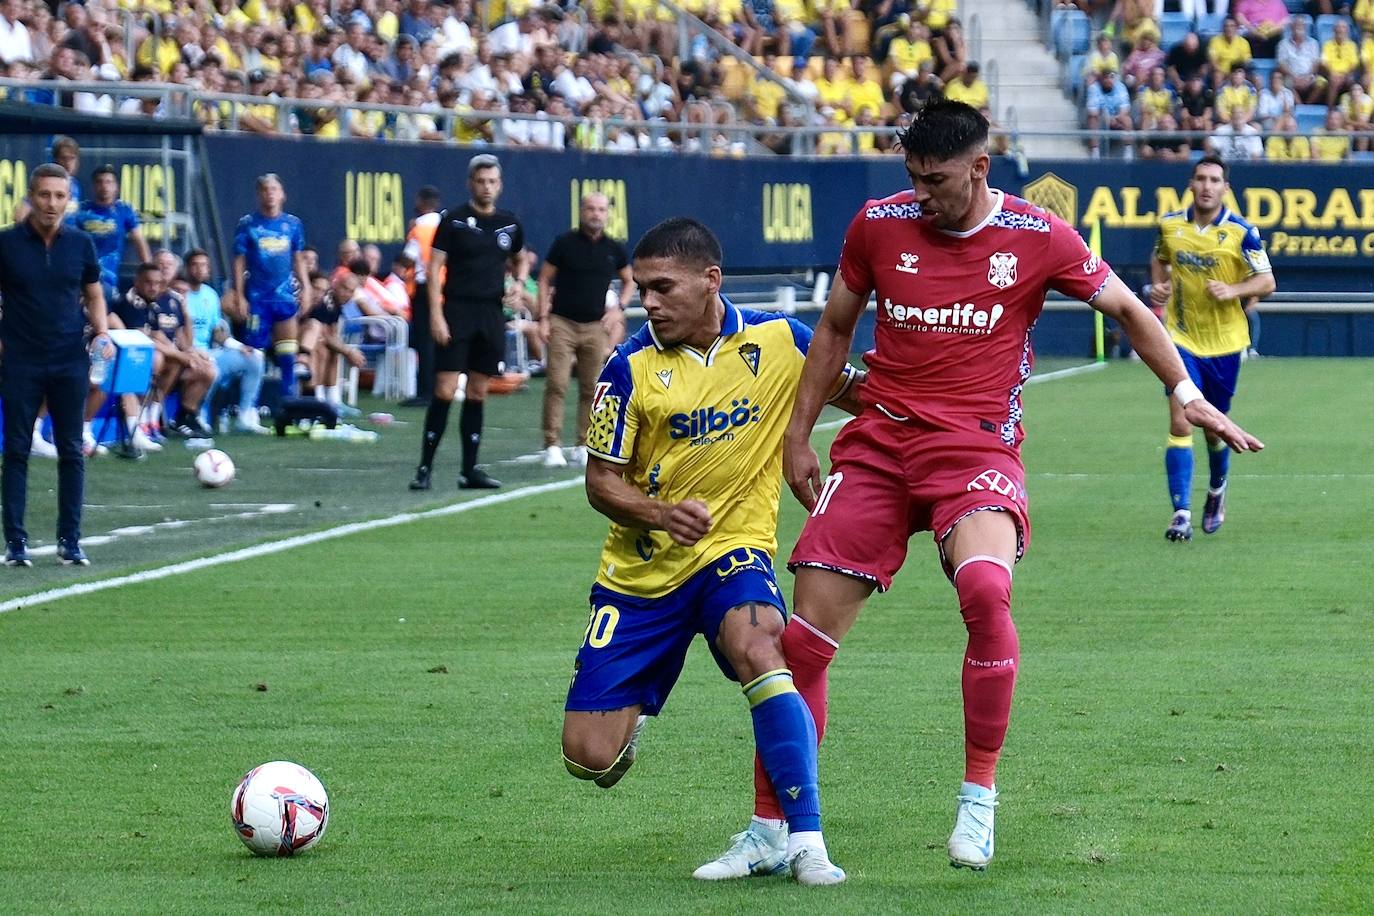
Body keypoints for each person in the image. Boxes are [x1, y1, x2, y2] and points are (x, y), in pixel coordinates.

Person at [700, 100, 1263, 878]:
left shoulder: (1037, 237)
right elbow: (833, 329)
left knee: (986, 591)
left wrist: (1182, 388)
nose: (920, 194)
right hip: (880, 448)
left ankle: (978, 800)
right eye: (912, 178)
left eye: (934, 180)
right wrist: (799, 435)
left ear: (979, 168)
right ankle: (772, 828)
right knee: (802, 646)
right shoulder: (877, 223)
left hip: (975, 449)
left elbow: (1131, 307)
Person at [562, 217, 862, 886]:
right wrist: (659, 512)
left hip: (734, 550)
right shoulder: (627, 368)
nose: (650, 303)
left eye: (663, 287)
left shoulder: (781, 342)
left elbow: (862, 392)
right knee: (588, 759)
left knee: (764, 647)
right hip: (639, 577)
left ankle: (800, 838)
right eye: (642, 290)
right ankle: (629, 717)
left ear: (711, 281)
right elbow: (599, 482)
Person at [1150, 155, 1275, 541]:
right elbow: (1159, 258)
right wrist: (1159, 288)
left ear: (1225, 188)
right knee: (1180, 418)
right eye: (1201, 178)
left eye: (1215, 180)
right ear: (1191, 184)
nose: (1207, 185)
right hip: (1181, 338)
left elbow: (1267, 281)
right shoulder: (1171, 225)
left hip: (1224, 344)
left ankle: (1217, 490)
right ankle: (1181, 514)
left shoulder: (1242, 232)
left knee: (1214, 430)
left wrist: (1234, 290)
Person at [0, 163, 113, 567]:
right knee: (15, 451)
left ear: (69, 200)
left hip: (70, 361)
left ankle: (71, 540)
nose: (51, 203)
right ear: (30, 196)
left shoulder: (81, 244)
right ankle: (15, 543)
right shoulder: (6, 243)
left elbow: (94, 292)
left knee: (71, 452)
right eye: (44, 195)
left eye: (59, 196)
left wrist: (101, 331)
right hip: (20, 361)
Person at [408, 154, 526, 492]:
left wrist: (517, 284)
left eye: (492, 182)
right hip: (457, 310)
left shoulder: (509, 223)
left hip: (491, 314)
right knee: (444, 390)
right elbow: (433, 270)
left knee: (478, 391)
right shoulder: (454, 220)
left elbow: (520, 259)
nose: (486, 187)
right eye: (480, 181)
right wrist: (436, 314)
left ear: (499, 185)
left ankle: (469, 469)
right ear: (470, 184)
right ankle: (424, 467)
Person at [536, 192, 631, 470]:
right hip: (562, 322)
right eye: (591, 208)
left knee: (592, 387)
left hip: (595, 325)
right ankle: (552, 444)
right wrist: (543, 317)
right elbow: (543, 278)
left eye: (601, 209)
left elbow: (629, 279)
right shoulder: (564, 243)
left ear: (608, 214)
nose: (596, 214)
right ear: (581, 211)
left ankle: (583, 444)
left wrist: (619, 309)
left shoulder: (613, 248)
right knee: (557, 384)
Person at [109, 262, 217, 440]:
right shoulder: (129, 301)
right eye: (148, 283)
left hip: (161, 356)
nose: (154, 287)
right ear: (137, 282)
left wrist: (188, 351)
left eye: (157, 283)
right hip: (129, 357)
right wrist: (179, 355)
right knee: (157, 359)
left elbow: (164, 336)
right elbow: (144, 337)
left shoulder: (164, 301)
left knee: (207, 369)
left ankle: (177, 416)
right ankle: (141, 419)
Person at [233, 173, 310, 404]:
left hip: (285, 297)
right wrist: (239, 295)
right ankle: (248, 407)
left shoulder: (293, 224)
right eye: (265, 190)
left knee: (287, 352)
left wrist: (305, 287)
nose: (270, 194)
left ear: (282, 194)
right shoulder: (248, 224)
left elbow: (298, 259)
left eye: (274, 189)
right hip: (257, 297)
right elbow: (239, 261)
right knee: (254, 354)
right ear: (258, 195)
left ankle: (288, 402)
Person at [183, 248, 269, 434]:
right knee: (209, 366)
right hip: (188, 354)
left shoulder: (211, 295)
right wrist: (193, 351)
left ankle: (245, 416)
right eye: (195, 265)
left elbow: (218, 332)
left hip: (210, 353)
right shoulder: (180, 294)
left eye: (204, 265)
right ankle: (200, 415)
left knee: (255, 357)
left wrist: (238, 346)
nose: (199, 270)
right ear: (187, 269)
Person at [68, 164, 151, 301]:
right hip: (83, 276)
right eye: (99, 182)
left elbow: (139, 241)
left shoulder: (124, 210)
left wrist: (148, 269)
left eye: (109, 182)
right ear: (94, 186)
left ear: (116, 186)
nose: (104, 186)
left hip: (110, 278)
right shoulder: (81, 211)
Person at [401, 185, 443, 407]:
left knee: (424, 341)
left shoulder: (419, 227)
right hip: (443, 286)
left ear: (421, 201)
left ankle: (424, 391)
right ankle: (438, 388)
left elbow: (409, 257)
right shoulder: (446, 224)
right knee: (437, 340)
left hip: (423, 286)